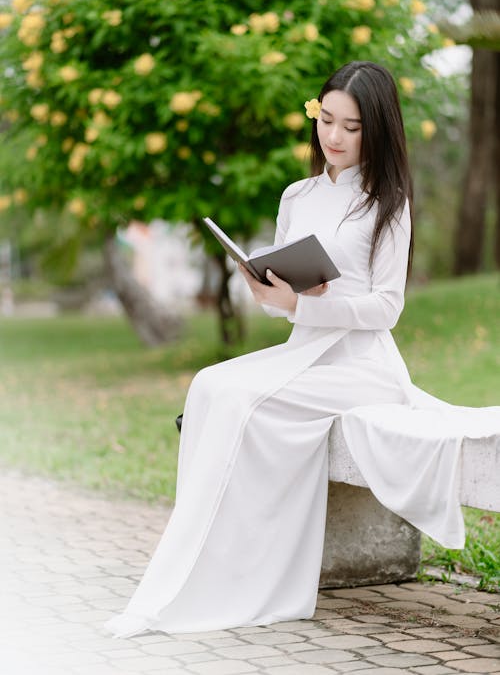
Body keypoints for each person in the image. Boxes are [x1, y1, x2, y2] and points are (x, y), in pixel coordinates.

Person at [106, 61, 499, 638]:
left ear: (379, 130)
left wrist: (304, 305)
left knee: (238, 398)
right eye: (327, 120)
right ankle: (197, 567)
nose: (334, 137)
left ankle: (238, 577)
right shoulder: (298, 195)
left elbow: (387, 308)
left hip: (362, 366)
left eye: (352, 127)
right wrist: (270, 292)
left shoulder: (387, 202)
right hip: (305, 353)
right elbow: (281, 304)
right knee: (210, 386)